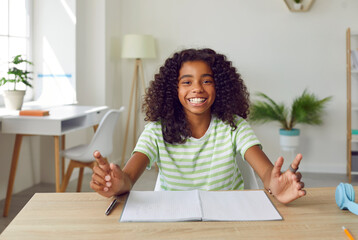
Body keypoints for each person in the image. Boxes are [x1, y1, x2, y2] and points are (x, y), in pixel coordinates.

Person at [90, 48, 306, 204]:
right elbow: (128, 178)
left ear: (219, 87)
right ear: (173, 89)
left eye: (206, 81)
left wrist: (275, 184)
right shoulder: (156, 131)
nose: (197, 89)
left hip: (228, 216)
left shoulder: (234, 126)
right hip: (174, 216)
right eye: (187, 82)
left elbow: (267, 173)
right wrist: (117, 184)